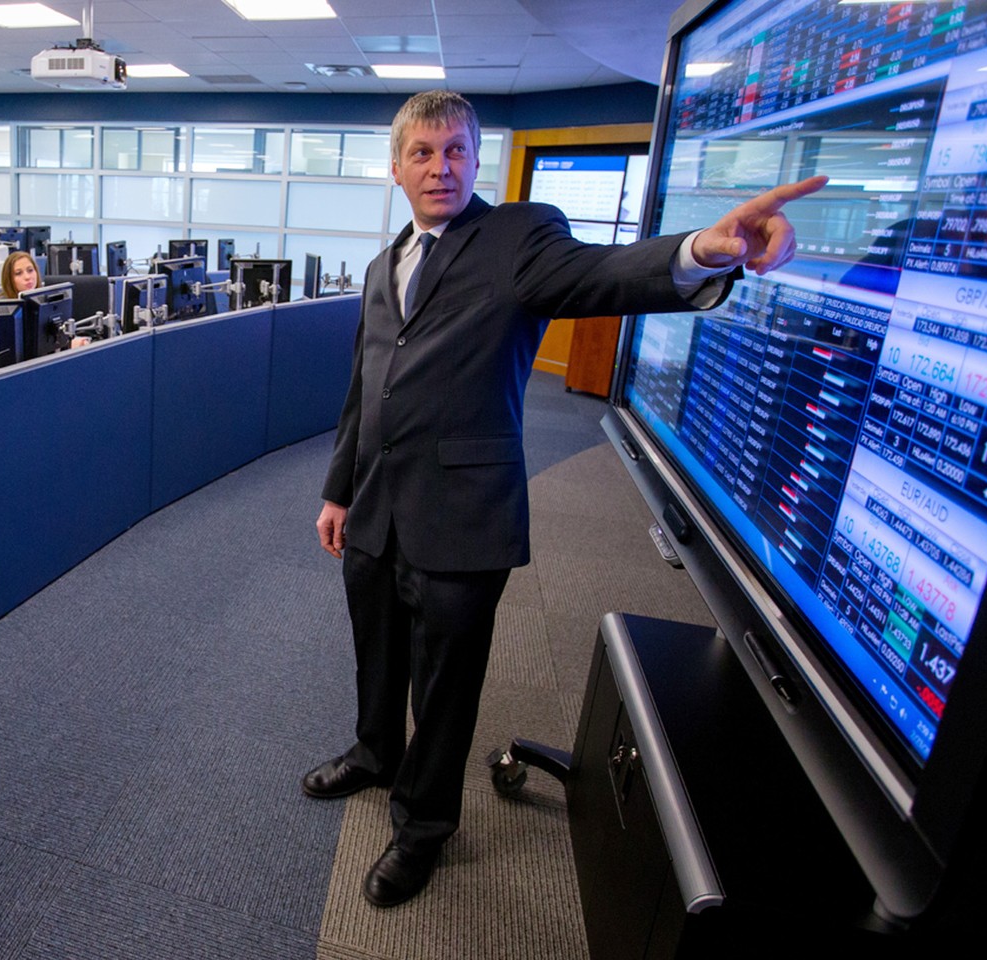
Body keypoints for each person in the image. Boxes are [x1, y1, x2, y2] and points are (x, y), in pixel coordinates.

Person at [304, 90, 826, 908]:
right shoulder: (385, 264)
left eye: (456, 152)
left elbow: (602, 275)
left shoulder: (517, 237)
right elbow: (364, 389)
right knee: (379, 655)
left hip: (463, 517)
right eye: (423, 153)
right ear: (397, 167)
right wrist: (338, 491)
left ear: (476, 159)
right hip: (374, 509)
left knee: (444, 686)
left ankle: (423, 827)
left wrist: (703, 250)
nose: (441, 168)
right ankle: (375, 753)